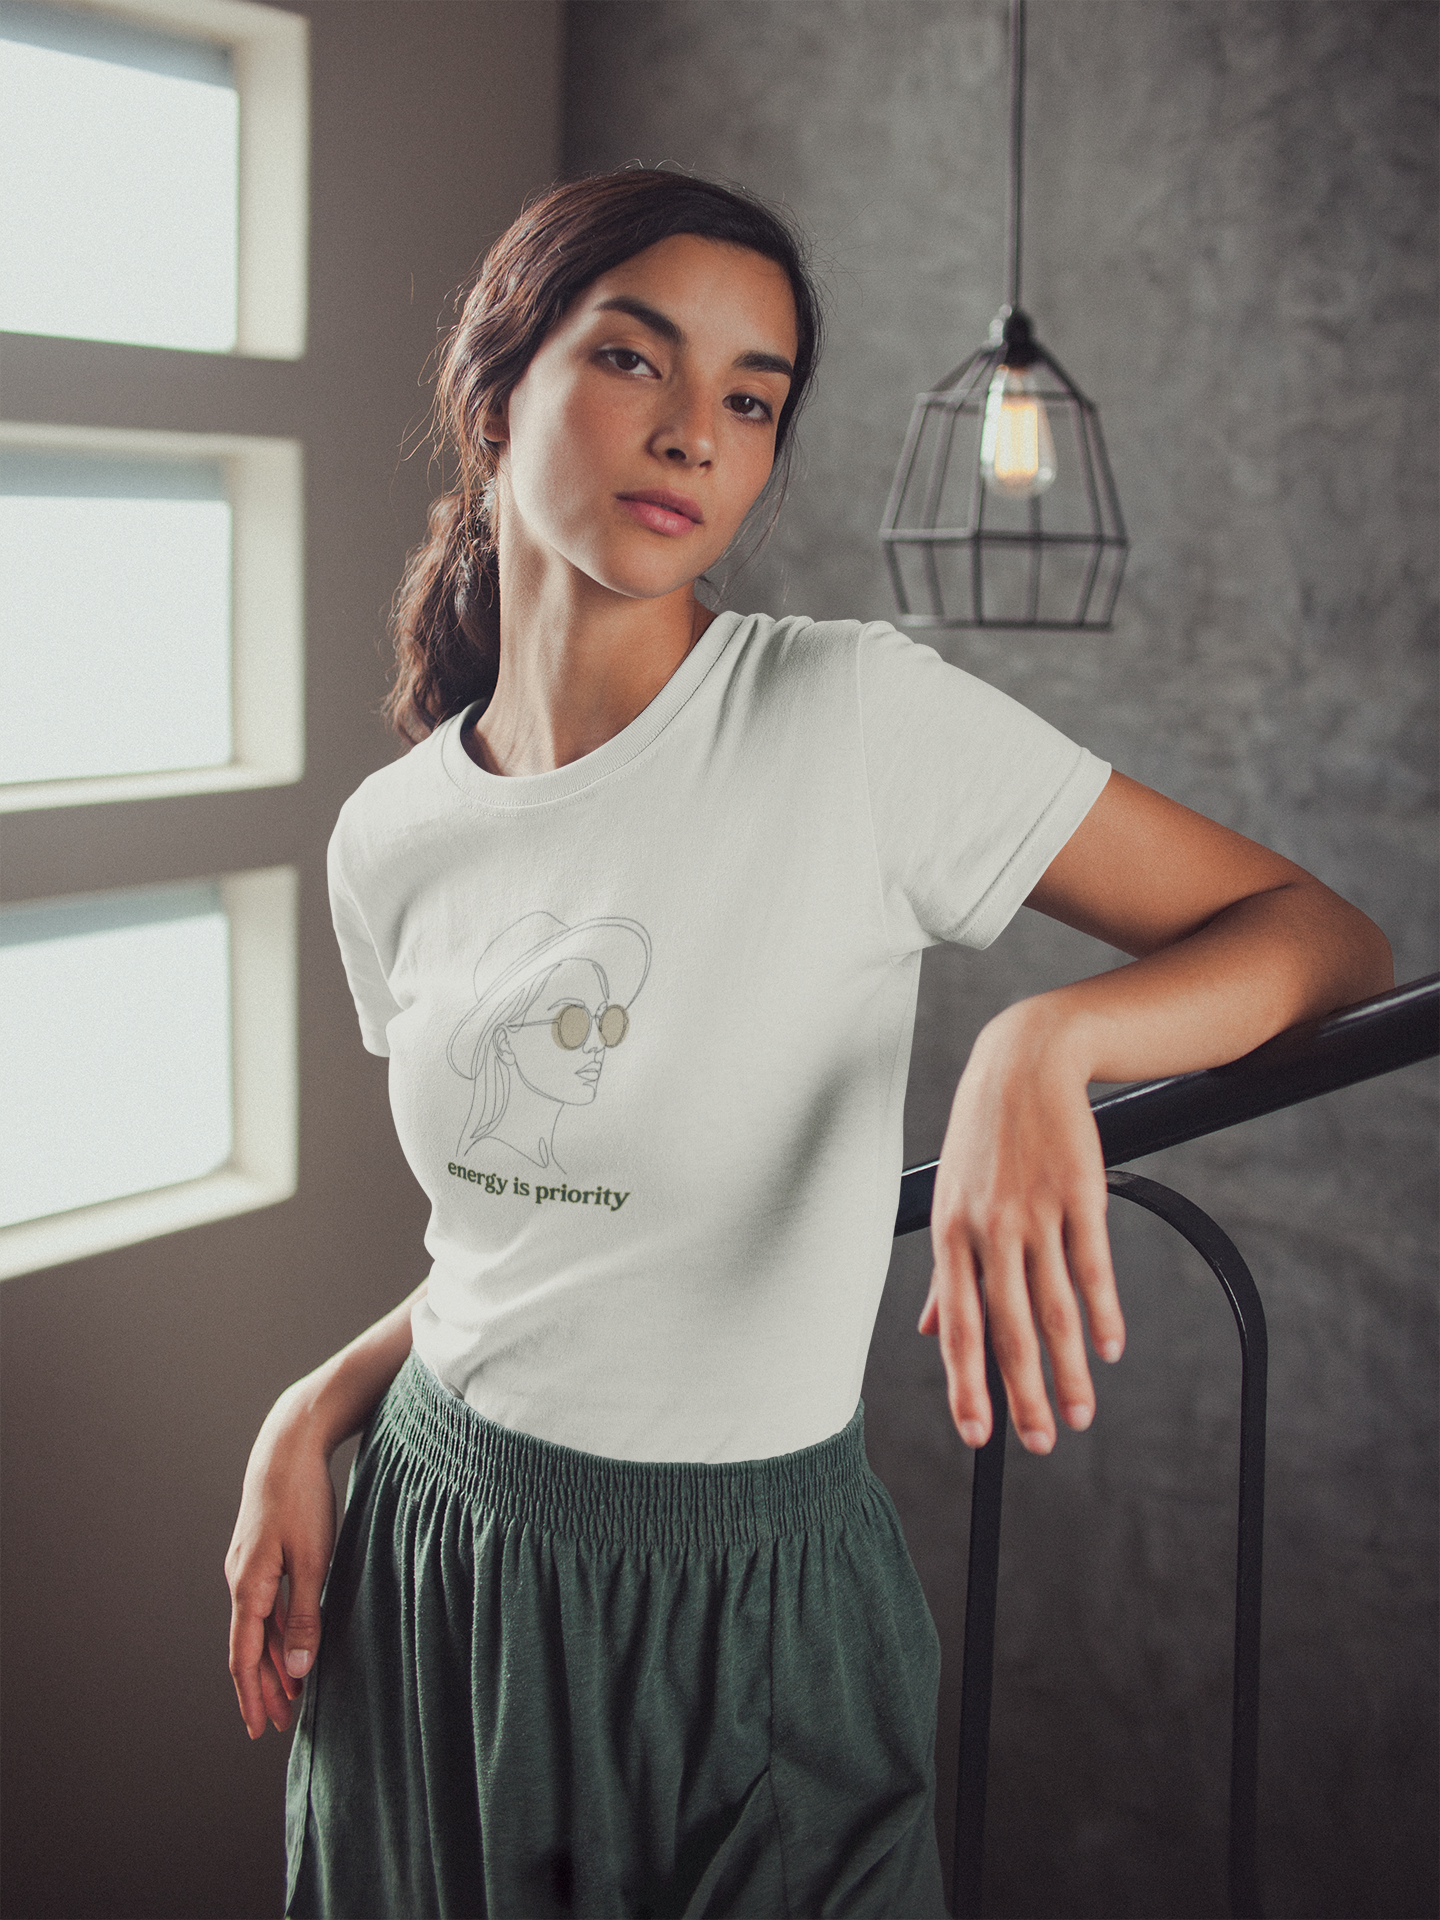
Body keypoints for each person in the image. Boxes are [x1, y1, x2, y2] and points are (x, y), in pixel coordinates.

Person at [225, 168, 1392, 1920]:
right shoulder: (391, 838)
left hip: (752, 1601)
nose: (696, 430)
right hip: (428, 1563)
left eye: (752, 397)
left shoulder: (847, 718)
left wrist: (1040, 1049)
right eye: (636, 361)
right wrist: (319, 1402)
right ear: (494, 393)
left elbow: (1324, 936)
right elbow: (530, 1239)